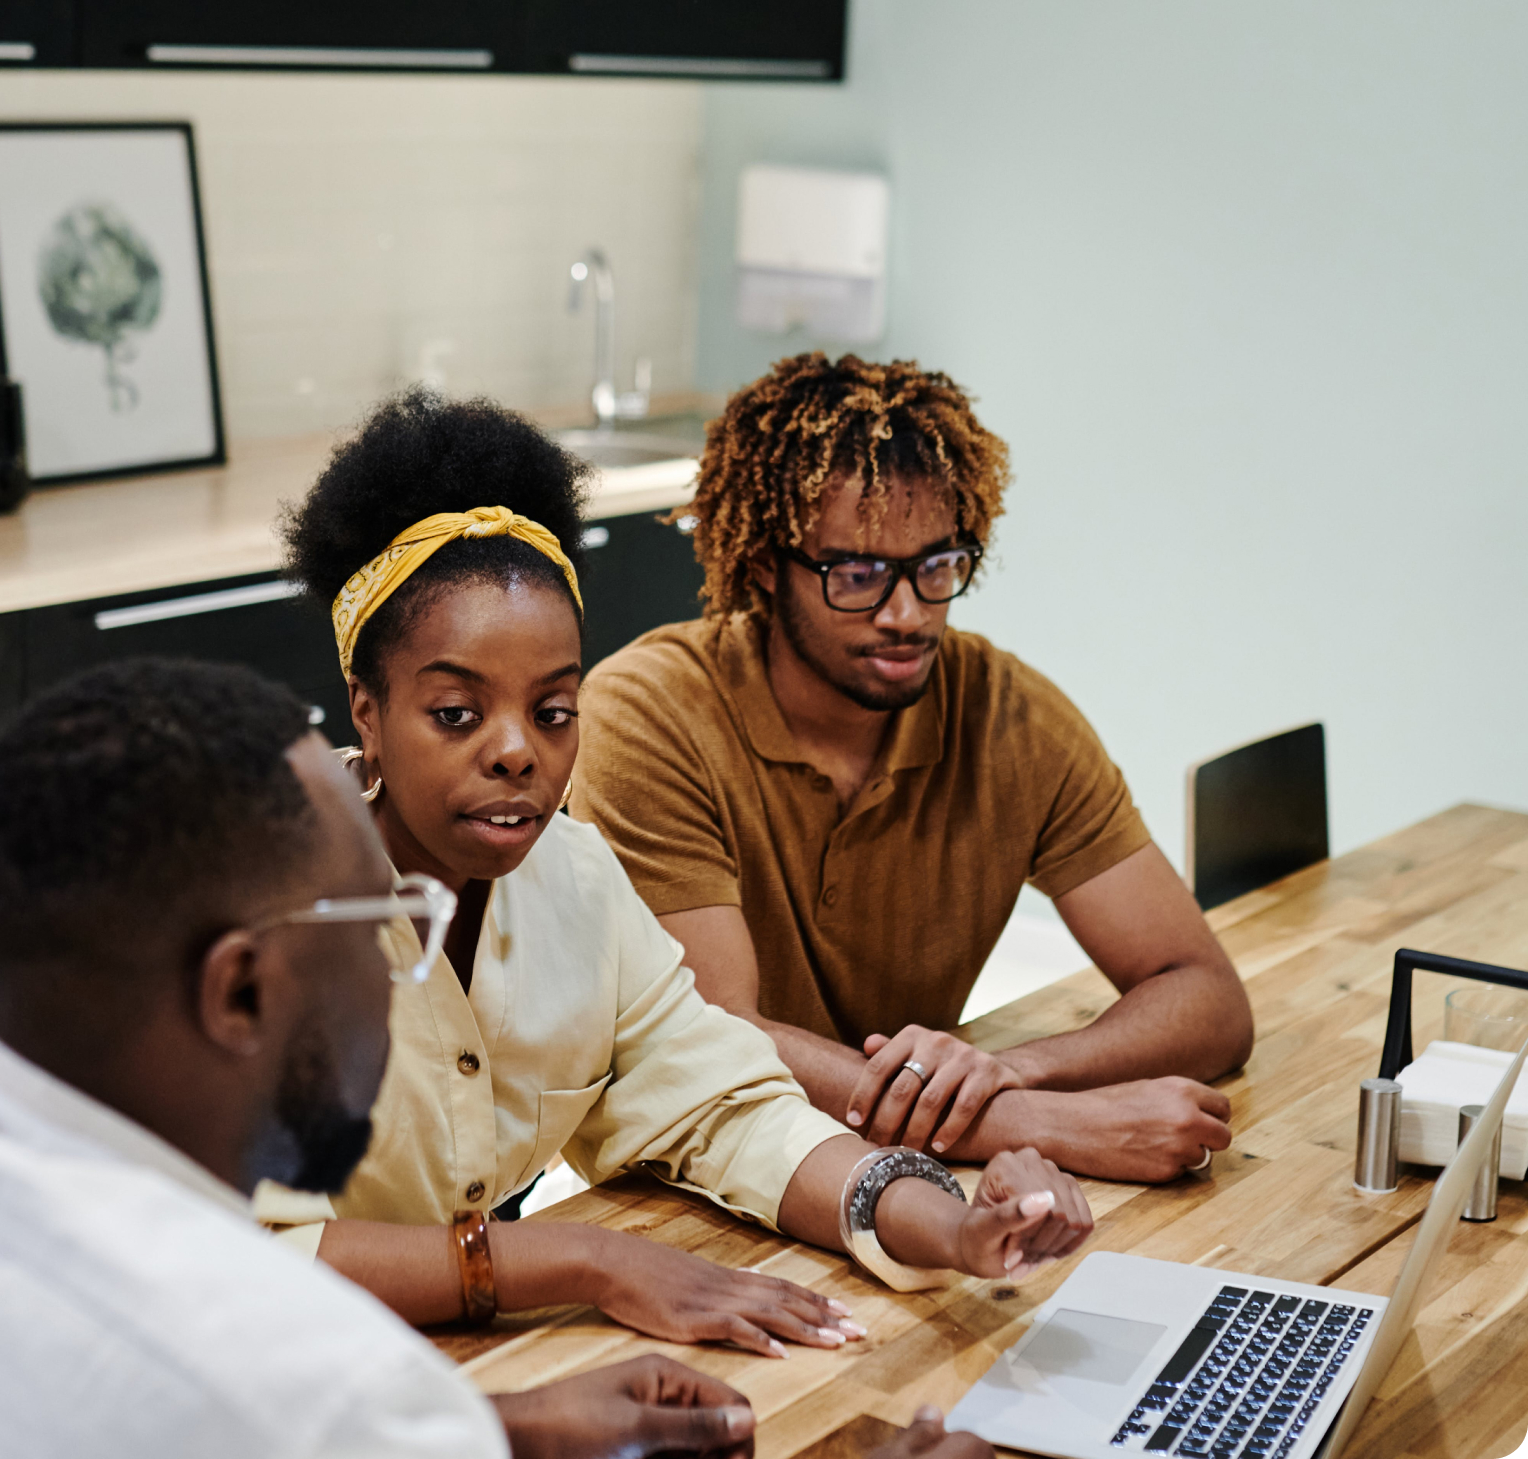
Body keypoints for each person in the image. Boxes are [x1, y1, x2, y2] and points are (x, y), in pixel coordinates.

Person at [0, 657, 994, 1459]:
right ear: (240, 988)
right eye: (389, 923)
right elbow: (271, 1404)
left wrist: (484, 1425)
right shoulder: (289, 1372)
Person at [260, 389, 1090, 1348]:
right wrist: (585, 1259)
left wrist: (949, 1224)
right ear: (365, 710)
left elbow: (726, 1107)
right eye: (457, 713)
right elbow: (234, 1262)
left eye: (555, 711)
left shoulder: (576, 880)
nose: (517, 753)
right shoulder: (258, 917)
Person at [571, 353, 1255, 1185]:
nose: (906, 614)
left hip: (910, 1175)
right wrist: (1030, 1124)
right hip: (684, 1182)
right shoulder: (649, 715)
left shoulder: (1009, 715)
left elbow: (1207, 998)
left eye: (935, 567)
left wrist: (1012, 1072)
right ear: (761, 566)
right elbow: (718, 1035)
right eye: (856, 575)